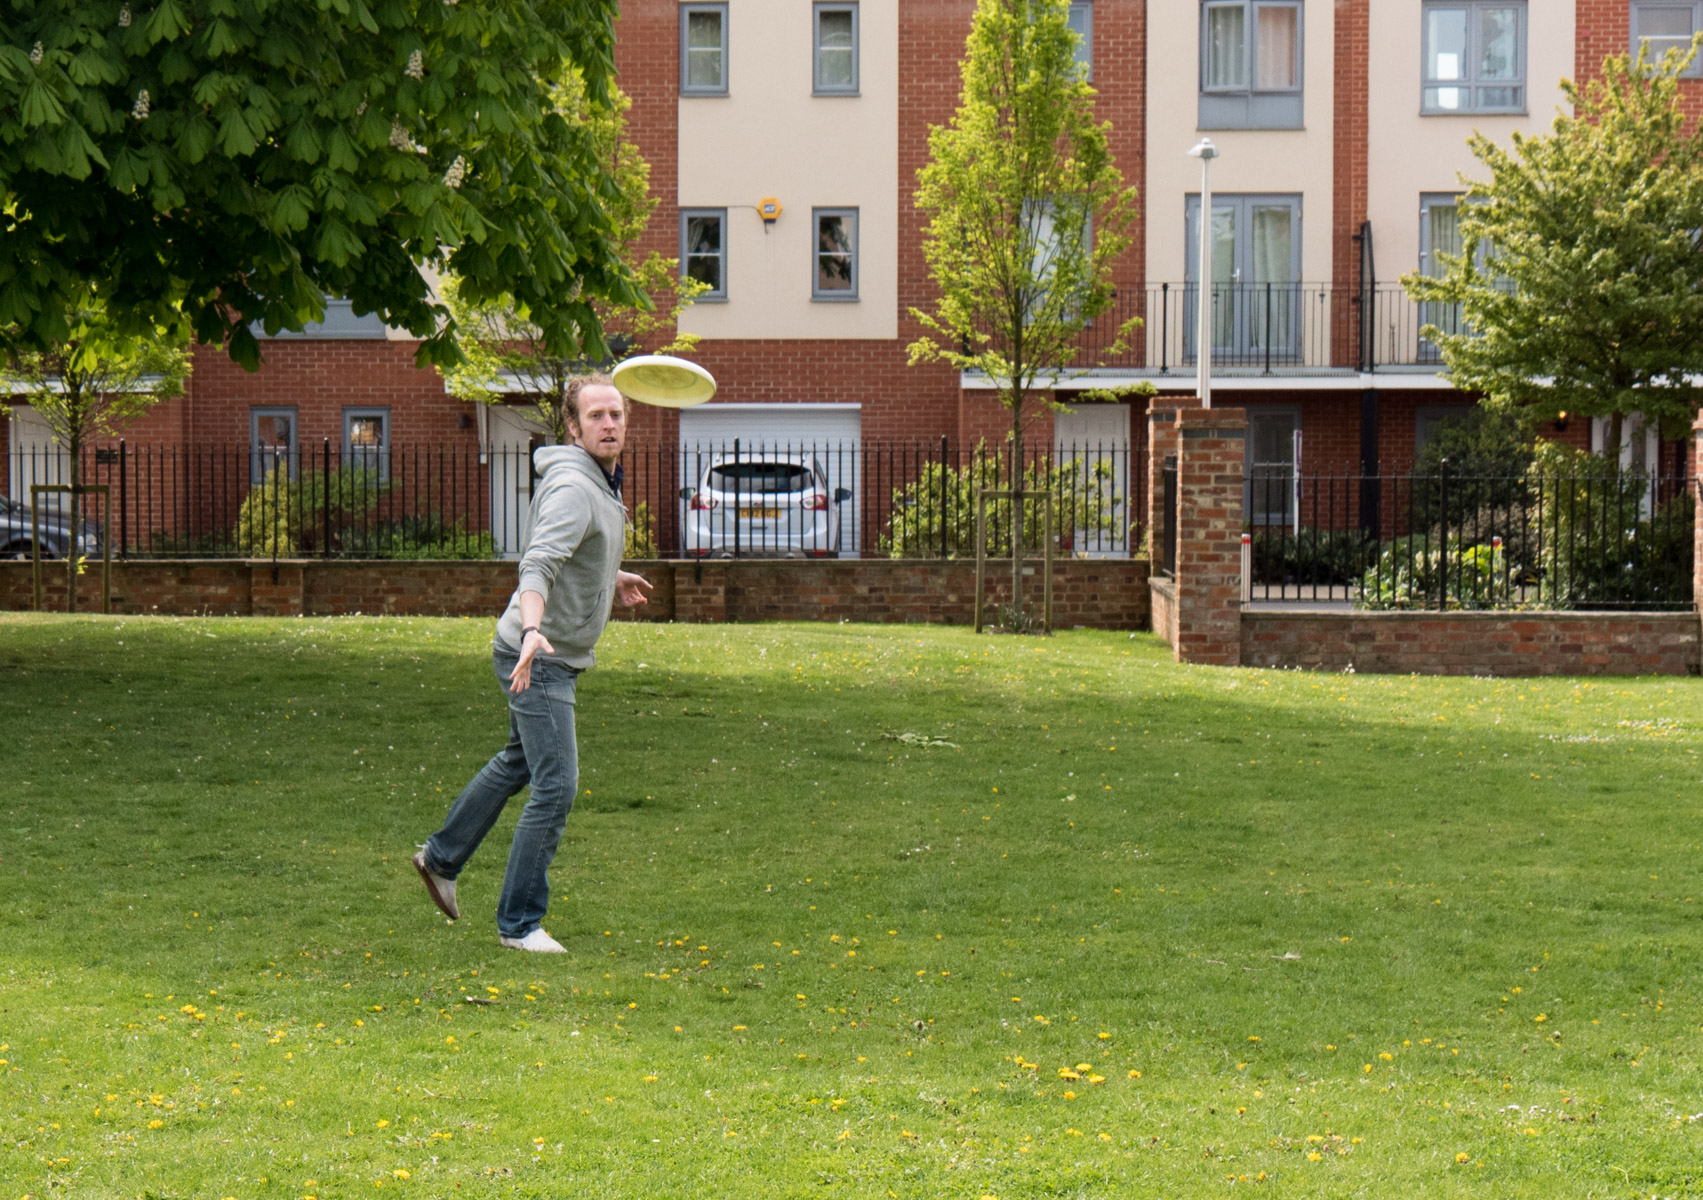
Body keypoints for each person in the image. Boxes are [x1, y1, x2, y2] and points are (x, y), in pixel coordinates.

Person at [413, 374, 651, 952]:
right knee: (557, 784)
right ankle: (519, 924)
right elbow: (539, 564)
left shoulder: (597, 480)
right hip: (538, 655)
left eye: (616, 414)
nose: (609, 424)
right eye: (595, 416)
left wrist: (608, 577)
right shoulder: (576, 486)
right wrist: (534, 630)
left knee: (520, 762)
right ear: (573, 426)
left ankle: (440, 858)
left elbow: (575, 552)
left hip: (545, 651)